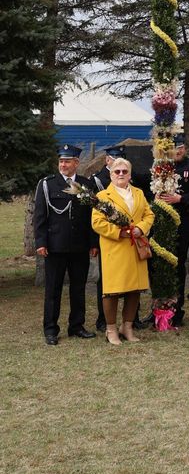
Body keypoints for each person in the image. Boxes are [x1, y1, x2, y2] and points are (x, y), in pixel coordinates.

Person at [34, 144, 99, 345]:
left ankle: (77, 326)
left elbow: (92, 217)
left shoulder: (86, 184)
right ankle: (51, 329)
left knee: (78, 288)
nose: (63, 164)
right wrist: (41, 242)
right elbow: (40, 216)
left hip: (79, 246)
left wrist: (93, 243)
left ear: (76, 163)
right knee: (53, 289)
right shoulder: (47, 184)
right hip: (55, 246)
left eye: (67, 161)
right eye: (61, 161)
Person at [91, 157, 155, 344]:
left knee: (134, 290)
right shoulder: (102, 197)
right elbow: (97, 223)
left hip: (136, 248)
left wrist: (141, 228)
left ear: (129, 174)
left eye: (124, 171)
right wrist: (119, 232)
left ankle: (127, 327)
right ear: (110, 174)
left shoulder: (139, 193)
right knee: (112, 290)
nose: (120, 174)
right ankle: (111, 329)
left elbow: (148, 214)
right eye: (117, 171)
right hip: (115, 249)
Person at [158, 132, 189, 326]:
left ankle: (177, 311)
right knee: (161, 267)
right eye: (174, 147)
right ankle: (160, 309)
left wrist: (181, 199)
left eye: (180, 147)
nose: (177, 151)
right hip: (162, 224)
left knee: (177, 266)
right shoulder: (160, 166)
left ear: (184, 149)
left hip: (182, 224)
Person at [92, 144, 125, 332]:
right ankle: (103, 319)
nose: (118, 166)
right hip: (107, 238)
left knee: (129, 278)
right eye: (113, 160)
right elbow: (91, 213)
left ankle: (131, 318)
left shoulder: (128, 177)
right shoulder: (98, 181)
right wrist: (93, 242)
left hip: (128, 239)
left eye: (121, 159)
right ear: (107, 160)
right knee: (106, 280)